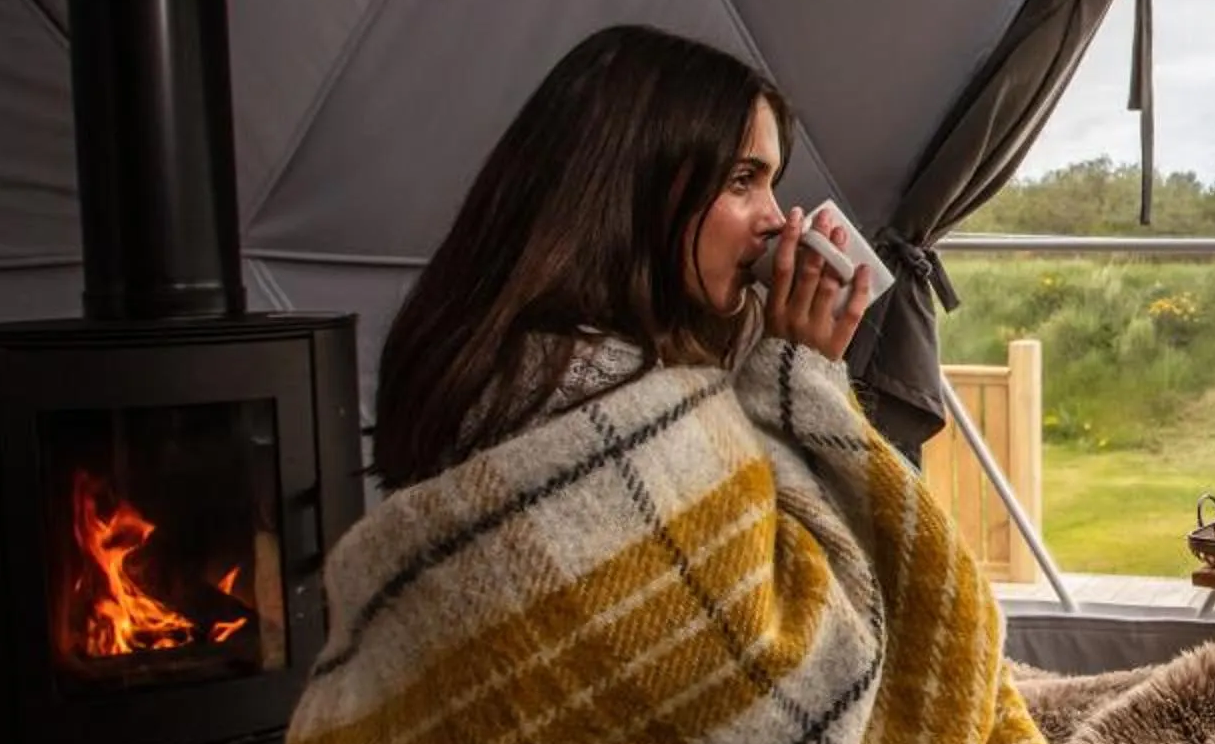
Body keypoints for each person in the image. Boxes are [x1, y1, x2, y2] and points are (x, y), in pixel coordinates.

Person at [370, 24, 872, 490]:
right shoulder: (598, 405)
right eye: (742, 180)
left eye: (772, 184)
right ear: (636, 187)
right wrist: (798, 383)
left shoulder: (491, 359)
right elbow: (784, 555)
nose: (777, 219)